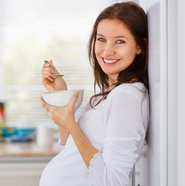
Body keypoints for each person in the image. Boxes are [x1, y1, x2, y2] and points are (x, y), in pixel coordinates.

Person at [40, 2, 149, 186]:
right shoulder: (111, 93)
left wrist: (70, 124)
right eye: (101, 39)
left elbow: (113, 181)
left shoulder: (126, 97)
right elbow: (71, 148)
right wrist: (61, 98)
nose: (107, 50)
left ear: (139, 46)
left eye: (120, 41)